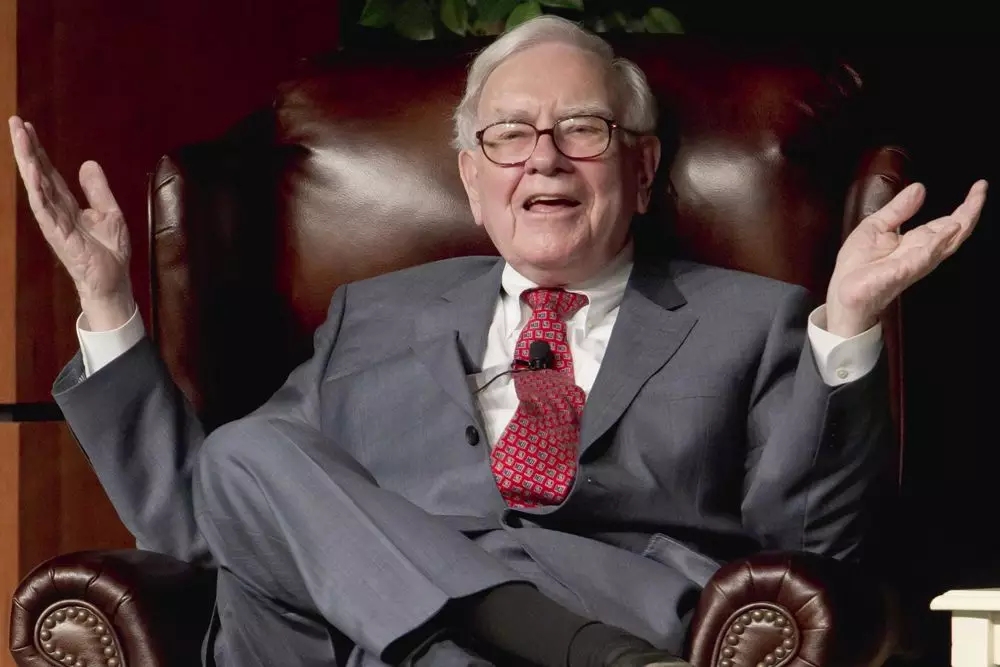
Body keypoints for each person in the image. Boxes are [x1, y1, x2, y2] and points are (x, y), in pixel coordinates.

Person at [8, 15, 986, 667]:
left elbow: (809, 545)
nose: (544, 160)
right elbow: (208, 521)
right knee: (246, 452)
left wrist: (847, 326)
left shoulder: (754, 320)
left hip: (611, 604)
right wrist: (106, 300)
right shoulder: (368, 317)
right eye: (509, 136)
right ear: (472, 182)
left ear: (643, 170)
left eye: (583, 130)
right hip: (358, 646)